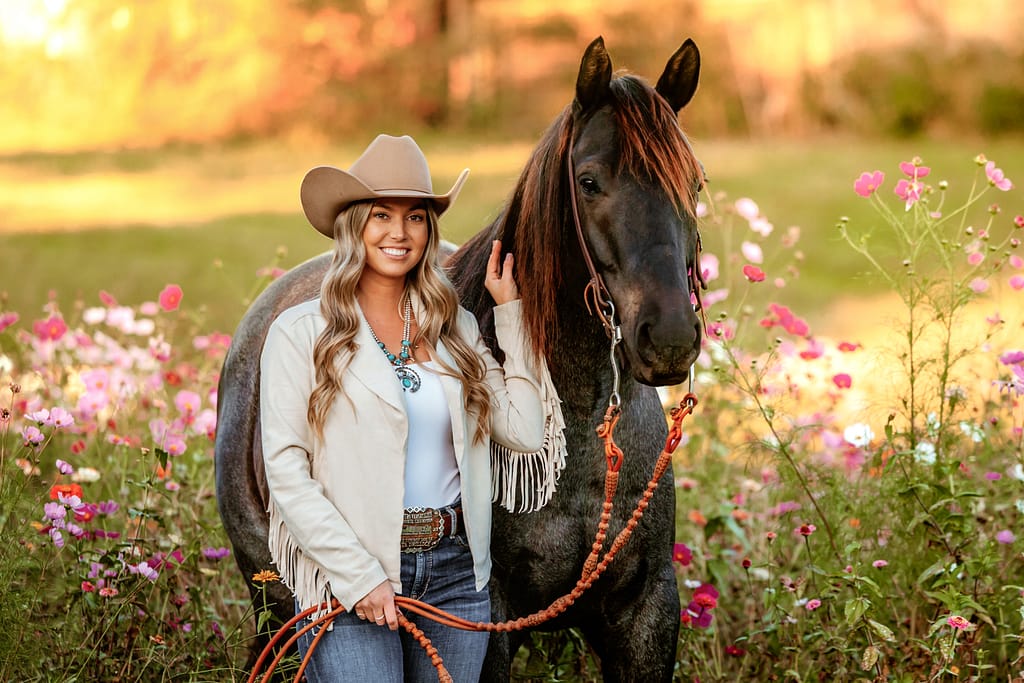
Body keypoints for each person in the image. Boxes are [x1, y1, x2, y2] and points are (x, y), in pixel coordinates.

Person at [259, 134, 550, 681]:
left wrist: (511, 315)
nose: (400, 233)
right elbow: (286, 471)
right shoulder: (299, 334)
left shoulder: (455, 328)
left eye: (415, 217)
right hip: (351, 575)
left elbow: (525, 430)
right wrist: (357, 576)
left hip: (455, 575)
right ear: (354, 224)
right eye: (382, 215)